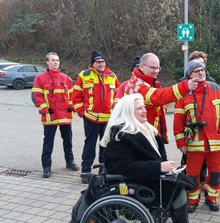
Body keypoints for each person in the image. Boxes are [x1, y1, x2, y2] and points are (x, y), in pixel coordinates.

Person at [101, 93, 209, 223]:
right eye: (139, 108)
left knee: (182, 181)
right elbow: (126, 167)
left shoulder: (143, 129)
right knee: (177, 187)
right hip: (130, 182)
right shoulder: (121, 135)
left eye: (144, 107)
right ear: (128, 112)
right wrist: (158, 167)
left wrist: (166, 168)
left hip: (142, 177)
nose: (144, 110)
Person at [173, 60, 220, 213]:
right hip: (194, 143)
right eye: (196, 71)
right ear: (189, 75)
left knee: (215, 173)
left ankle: (212, 198)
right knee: (192, 175)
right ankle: (193, 200)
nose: (200, 73)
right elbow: (178, 121)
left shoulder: (216, 88)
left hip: (216, 143)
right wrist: (180, 142)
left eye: (202, 70)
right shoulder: (184, 93)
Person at [124, 53, 199, 144]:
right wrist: (185, 87)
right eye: (152, 68)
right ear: (142, 66)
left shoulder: (141, 81)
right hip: (142, 136)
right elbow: (158, 96)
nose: (156, 71)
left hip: (147, 134)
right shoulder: (139, 86)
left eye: (157, 68)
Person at [72, 50, 120, 183]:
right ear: (92, 64)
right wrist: (82, 112)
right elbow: (75, 97)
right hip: (91, 118)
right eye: (98, 62)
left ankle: (103, 170)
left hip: (108, 119)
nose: (101, 64)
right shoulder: (84, 75)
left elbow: (119, 95)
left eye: (103, 61)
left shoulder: (112, 76)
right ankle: (86, 171)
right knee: (90, 144)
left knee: (105, 146)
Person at [31, 52, 79, 178]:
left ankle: (70, 162)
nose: (56, 62)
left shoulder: (66, 78)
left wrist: (73, 107)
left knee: (68, 142)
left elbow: (72, 96)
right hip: (50, 117)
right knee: (48, 143)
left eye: (57, 60)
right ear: (47, 62)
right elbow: (36, 96)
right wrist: (44, 108)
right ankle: (46, 167)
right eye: (53, 60)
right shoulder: (40, 78)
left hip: (65, 116)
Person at [179, 51, 214, 191]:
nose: (200, 69)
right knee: (187, 158)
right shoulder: (183, 83)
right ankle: (187, 183)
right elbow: (178, 110)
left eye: (202, 64)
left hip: (207, 129)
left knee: (205, 159)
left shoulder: (212, 83)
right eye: (196, 65)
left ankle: (203, 182)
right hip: (190, 129)